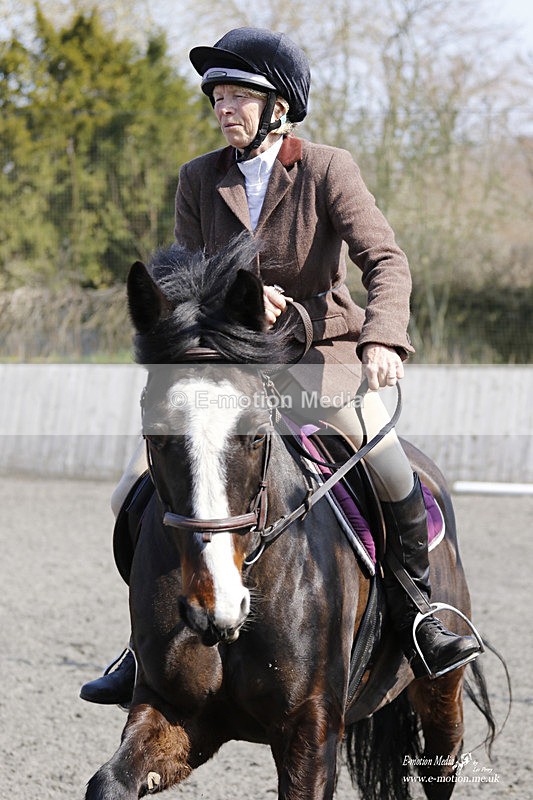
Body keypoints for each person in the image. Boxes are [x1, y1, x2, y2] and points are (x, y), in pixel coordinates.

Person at [80, 27, 480, 706]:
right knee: (132, 490)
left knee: (388, 466)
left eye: (239, 96)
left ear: (279, 108)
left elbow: (385, 260)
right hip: (230, 374)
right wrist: (223, 297)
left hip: (317, 363)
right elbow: (180, 274)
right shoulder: (198, 178)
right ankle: (141, 641)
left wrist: (383, 340)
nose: (223, 108)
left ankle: (419, 616)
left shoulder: (327, 168)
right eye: (217, 97)